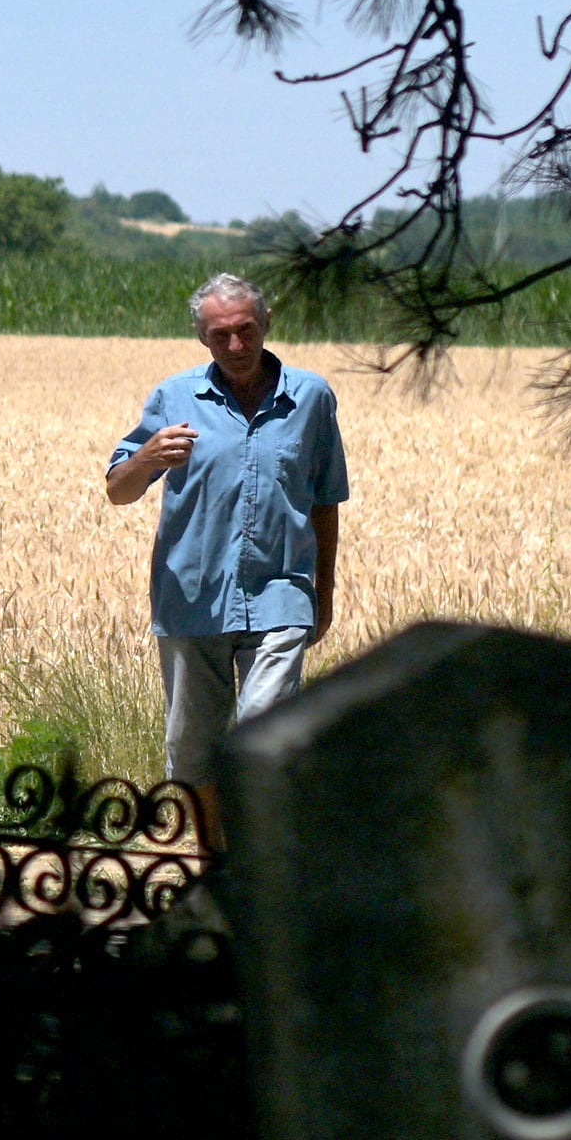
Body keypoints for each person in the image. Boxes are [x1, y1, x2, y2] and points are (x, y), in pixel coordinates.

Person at [105, 273, 349, 806]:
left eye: (246, 330)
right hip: (192, 597)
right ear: (202, 338)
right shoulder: (174, 397)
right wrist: (147, 457)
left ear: (265, 325)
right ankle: (216, 867)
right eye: (221, 335)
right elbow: (118, 492)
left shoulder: (311, 397)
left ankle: (257, 869)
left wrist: (322, 594)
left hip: (280, 597)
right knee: (193, 752)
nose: (236, 346)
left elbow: (326, 501)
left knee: (266, 739)